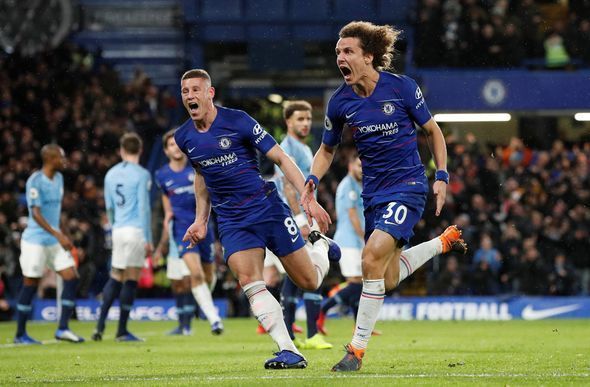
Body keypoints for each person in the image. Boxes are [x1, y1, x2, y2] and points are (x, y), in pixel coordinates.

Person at [301, 21, 454, 371]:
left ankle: (355, 351)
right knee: (386, 279)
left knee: (370, 258)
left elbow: (432, 131)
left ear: (368, 56)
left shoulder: (401, 88)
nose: (340, 57)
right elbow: (327, 149)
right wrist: (311, 178)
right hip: (373, 195)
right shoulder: (339, 102)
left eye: (348, 51)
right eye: (338, 52)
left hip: (409, 187)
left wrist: (441, 176)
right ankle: (441, 243)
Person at [175, 69, 340, 369]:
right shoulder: (184, 136)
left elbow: (280, 158)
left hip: (267, 209)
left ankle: (322, 248)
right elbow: (202, 175)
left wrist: (308, 197)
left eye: (195, 90)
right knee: (250, 280)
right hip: (232, 221)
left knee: (310, 281)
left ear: (209, 93)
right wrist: (201, 220)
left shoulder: (238, 120)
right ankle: (289, 350)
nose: (190, 96)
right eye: (185, 91)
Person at [317, 154, 466, 334]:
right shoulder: (347, 186)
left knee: (373, 282)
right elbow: (351, 216)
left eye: (363, 166)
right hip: (350, 241)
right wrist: (369, 242)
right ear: (350, 166)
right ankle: (323, 312)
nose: (361, 169)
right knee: (357, 283)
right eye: (358, 165)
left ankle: (361, 324)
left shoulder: (359, 185)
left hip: (359, 240)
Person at [263, 100, 332, 350]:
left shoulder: (302, 148)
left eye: (307, 118)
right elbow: (289, 189)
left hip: (295, 216)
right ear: (288, 122)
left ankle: (291, 335)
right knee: (312, 271)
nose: (305, 123)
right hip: (294, 217)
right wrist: (301, 219)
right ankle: (312, 334)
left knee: (294, 277)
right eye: (299, 119)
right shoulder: (288, 149)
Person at [154, 129, 223, 336]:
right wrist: (163, 240)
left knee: (209, 275)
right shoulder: (161, 175)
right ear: (166, 150)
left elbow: (210, 199)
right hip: (182, 231)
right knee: (196, 274)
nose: (175, 148)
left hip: (205, 228)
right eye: (171, 145)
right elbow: (167, 209)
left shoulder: (197, 169)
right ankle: (214, 319)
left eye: (177, 144)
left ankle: (202, 304)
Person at [14, 144, 84, 344]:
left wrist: (65, 235)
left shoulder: (60, 179)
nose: (64, 161)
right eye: (61, 157)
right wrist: (58, 234)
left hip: (54, 239)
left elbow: (57, 211)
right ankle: (20, 334)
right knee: (31, 283)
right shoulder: (35, 181)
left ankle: (63, 328)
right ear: (50, 158)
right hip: (35, 241)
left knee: (71, 276)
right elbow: (35, 215)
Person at [92, 133, 152, 342]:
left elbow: (109, 206)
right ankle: (122, 331)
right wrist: (149, 238)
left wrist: (114, 225)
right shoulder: (142, 174)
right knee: (131, 278)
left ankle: (99, 326)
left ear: (121, 150)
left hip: (118, 229)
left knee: (116, 274)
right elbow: (144, 207)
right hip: (135, 230)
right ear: (140, 150)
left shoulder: (110, 174)